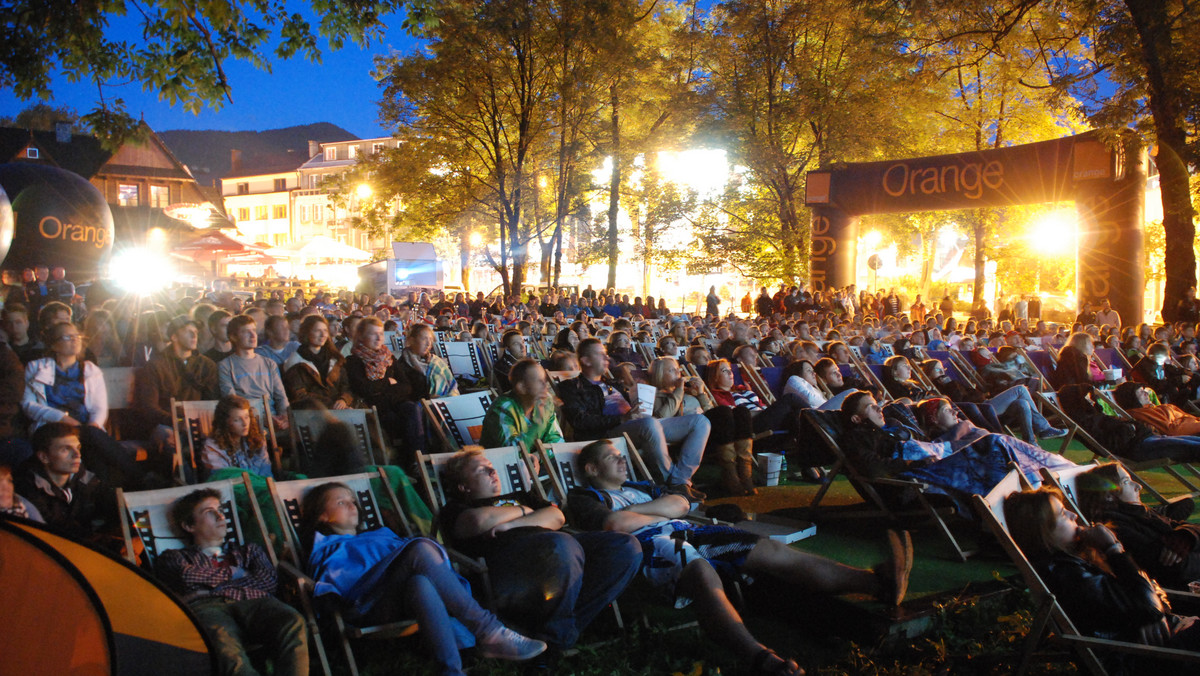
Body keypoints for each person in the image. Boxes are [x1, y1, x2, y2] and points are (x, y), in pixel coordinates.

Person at [568, 439, 914, 675]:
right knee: (702, 574)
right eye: (612, 456)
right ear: (592, 469)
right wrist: (659, 514)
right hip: (650, 544)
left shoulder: (642, 488)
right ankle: (759, 657)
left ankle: (876, 582)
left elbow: (682, 503)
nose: (622, 459)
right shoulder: (585, 496)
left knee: (772, 550)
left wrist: (650, 509)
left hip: (690, 529)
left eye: (621, 454)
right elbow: (615, 523)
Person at [299, 482, 547, 676]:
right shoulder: (325, 547)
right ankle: (489, 630)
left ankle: (452, 672)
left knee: (421, 583)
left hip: (398, 598)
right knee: (419, 549)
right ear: (321, 516)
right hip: (365, 605)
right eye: (341, 502)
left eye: (353, 500)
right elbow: (339, 586)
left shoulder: (380, 534)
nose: (352, 505)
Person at [439, 449, 641, 653]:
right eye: (482, 470)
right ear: (463, 486)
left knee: (625, 546)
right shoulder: (455, 509)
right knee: (561, 543)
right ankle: (555, 641)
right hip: (512, 567)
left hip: (560, 551)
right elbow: (478, 521)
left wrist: (514, 521)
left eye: (492, 467)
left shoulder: (521, 496)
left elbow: (556, 516)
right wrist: (527, 512)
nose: (493, 472)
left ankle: (552, 633)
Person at [1004, 487, 1200, 654]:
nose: (1074, 515)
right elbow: (1147, 607)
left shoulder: (1076, 562)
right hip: (1158, 655)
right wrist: (1114, 550)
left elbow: (1149, 592)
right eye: (1063, 514)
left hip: (1173, 635)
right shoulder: (1070, 576)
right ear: (1045, 533)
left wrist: (1162, 610)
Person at [155, 488, 309, 676]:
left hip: (255, 604)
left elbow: (268, 581)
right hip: (209, 609)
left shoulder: (249, 551)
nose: (221, 516)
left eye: (220, 509)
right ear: (189, 526)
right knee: (223, 642)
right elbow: (185, 577)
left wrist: (207, 589)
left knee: (292, 620)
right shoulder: (174, 557)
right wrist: (236, 573)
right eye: (210, 512)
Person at [557, 338, 709, 502]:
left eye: (605, 354)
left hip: (638, 424)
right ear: (585, 360)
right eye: (600, 355)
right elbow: (580, 421)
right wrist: (622, 419)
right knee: (649, 424)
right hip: (608, 432)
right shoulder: (571, 386)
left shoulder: (611, 383)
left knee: (700, 422)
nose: (606, 358)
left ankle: (680, 480)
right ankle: (673, 485)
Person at [23, 320, 146, 488]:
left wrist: (94, 424)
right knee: (92, 440)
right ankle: (139, 478)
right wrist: (63, 418)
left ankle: (105, 492)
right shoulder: (36, 367)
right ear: (54, 345)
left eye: (77, 336)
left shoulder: (90, 370)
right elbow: (29, 405)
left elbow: (99, 407)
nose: (75, 340)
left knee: (92, 444)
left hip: (85, 429)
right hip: (51, 427)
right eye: (67, 337)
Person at [1075, 464, 1200, 589]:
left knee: (1187, 504)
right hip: (1181, 594)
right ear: (1108, 496)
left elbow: (1185, 527)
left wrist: (1186, 536)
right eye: (1127, 482)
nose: (1138, 486)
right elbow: (1179, 569)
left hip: (1190, 579)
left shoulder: (1141, 512)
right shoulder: (1118, 528)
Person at [650, 356, 756, 496]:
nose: (677, 373)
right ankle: (730, 474)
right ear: (659, 375)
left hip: (711, 430)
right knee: (724, 412)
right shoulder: (656, 396)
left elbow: (710, 410)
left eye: (678, 369)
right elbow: (663, 418)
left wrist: (700, 393)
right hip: (689, 433)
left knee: (741, 411)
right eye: (671, 370)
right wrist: (678, 391)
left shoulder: (690, 392)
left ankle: (745, 473)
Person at [15, 422, 116, 544]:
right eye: (66, 449)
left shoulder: (85, 478)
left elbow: (114, 505)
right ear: (44, 457)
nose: (77, 455)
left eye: (78, 448)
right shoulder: (26, 487)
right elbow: (57, 529)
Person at [344, 318, 426, 467]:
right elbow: (364, 389)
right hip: (373, 407)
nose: (378, 338)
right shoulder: (353, 361)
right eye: (372, 334)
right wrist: (389, 382)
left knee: (413, 409)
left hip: (394, 403)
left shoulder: (389, 358)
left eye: (380, 334)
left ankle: (417, 461)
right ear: (361, 336)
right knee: (392, 418)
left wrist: (381, 388)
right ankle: (399, 463)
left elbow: (407, 386)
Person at [218, 314, 290, 433]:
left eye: (254, 330)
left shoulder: (269, 363)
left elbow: (281, 396)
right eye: (246, 332)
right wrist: (261, 418)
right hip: (246, 421)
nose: (253, 336)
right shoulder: (226, 366)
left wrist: (285, 416)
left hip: (275, 419)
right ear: (233, 337)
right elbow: (232, 401)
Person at [479, 359, 564, 449]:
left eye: (544, 380)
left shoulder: (545, 402)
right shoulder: (502, 410)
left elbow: (557, 441)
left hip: (537, 461)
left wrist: (539, 457)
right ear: (522, 387)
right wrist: (536, 424)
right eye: (539, 381)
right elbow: (513, 451)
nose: (545, 384)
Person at [282, 315, 354, 409]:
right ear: (306, 333)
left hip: (339, 411)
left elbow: (346, 386)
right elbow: (299, 394)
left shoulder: (334, 358)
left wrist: (344, 399)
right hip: (310, 414)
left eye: (325, 330)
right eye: (317, 330)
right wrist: (331, 404)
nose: (323, 334)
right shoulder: (296, 362)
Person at [201, 395, 273, 479]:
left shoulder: (257, 441)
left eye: (246, 417)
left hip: (262, 488)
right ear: (225, 422)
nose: (245, 424)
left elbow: (266, 474)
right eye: (237, 419)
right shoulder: (213, 447)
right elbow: (224, 478)